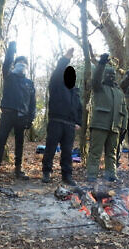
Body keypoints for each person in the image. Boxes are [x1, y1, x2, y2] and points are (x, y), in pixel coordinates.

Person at [0, 41, 36, 180]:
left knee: (20, 144)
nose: (22, 65)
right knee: (1, 141)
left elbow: (32, 103)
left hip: (22, 117)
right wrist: (11, 50)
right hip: (7, 114)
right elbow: (6, 64)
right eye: (19, 63)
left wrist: (30, 119)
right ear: (15, 65)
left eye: (24, 64)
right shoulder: (9, 76)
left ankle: (18, 170)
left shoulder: (29, 83)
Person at [41, 48, 82, 186]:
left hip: (70, 125)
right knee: (50, 148)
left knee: (67, 151)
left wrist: (78, 122)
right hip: (56, 121)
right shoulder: (57, 84)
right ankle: (46, 172)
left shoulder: (75, 92)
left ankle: (67, 175)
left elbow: (79, 109)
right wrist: (65, 59)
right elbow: (58, 71)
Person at [86, 53, 128, 182]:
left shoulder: (119, 92)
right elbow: (96, 79)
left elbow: (124, 110)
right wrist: (101, 64)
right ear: (105, 75)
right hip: (100, 125)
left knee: (112, 153)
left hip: (115, 127)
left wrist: (124, 127)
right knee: (95, 152)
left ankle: (111, 174)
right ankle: (92, 175)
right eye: (108, 75)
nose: (111, 76)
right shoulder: (99, 87)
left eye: (113, 75)